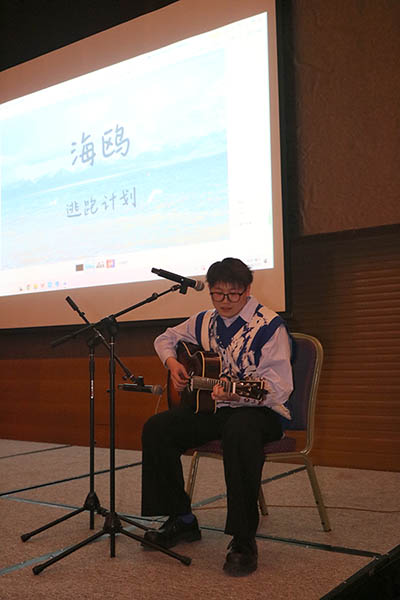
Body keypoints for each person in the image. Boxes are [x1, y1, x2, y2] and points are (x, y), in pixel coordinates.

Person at [141, 257, 293, 576]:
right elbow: (165, 339)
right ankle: (181, 519)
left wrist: (238, 394)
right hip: (214, 408)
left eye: (233, 294)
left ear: (247, 290)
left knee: (239, 431)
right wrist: (173, 364)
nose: (225, 301)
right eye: (218, 294)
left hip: (260, 411)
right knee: (158, 428)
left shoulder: (269, 326)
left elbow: (280, 388)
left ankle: (243, 540)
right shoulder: (204, 321)